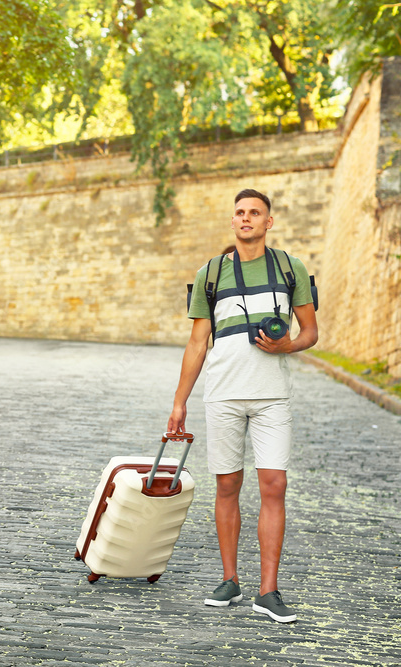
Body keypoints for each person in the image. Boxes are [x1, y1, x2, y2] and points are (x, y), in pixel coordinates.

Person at [167, 188, 318, 623]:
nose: (247, 218)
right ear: (232, 221)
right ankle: (230, 579)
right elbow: (197, 343)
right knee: (227, 486)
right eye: (240, 212)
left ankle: (267, 590)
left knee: (274, 485)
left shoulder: (291, 268)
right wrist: (179, 403)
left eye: (255, 212)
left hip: (273, 395)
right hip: (223, 394)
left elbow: (311, 332)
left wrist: (287, 344)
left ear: (269, 222)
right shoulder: (210, 275)